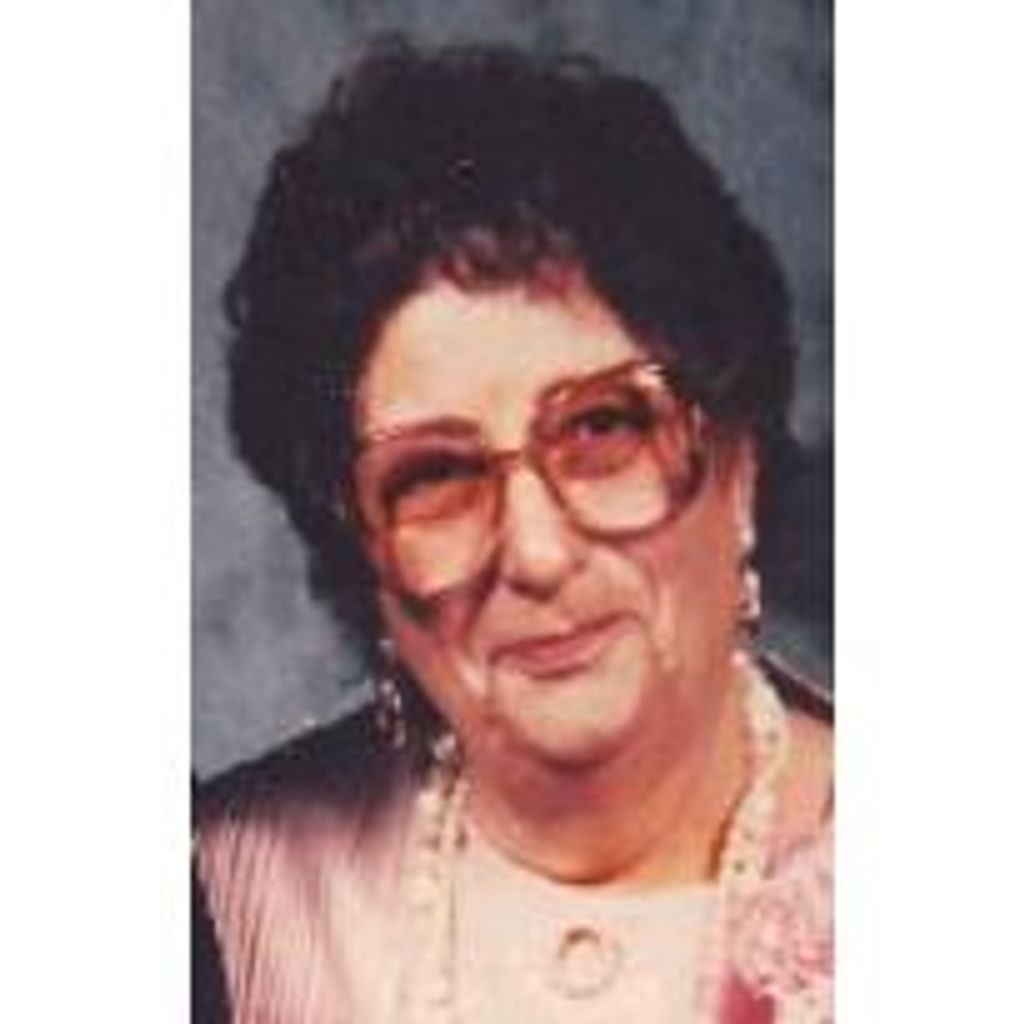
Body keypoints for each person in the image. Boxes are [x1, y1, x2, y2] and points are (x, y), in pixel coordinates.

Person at [194, 38, 833, 1023]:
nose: (536, 553)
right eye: (436, 476)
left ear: (738, 461)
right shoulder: (219, 899)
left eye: (602, 429)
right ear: (362, 553)